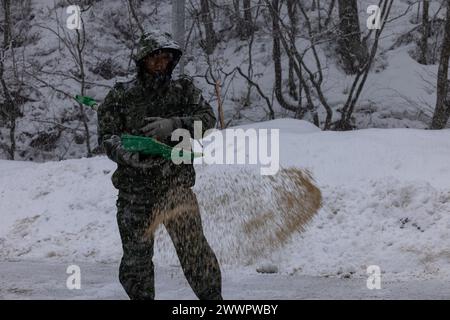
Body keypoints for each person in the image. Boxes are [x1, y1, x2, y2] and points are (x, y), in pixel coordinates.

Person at [97, 30, 223, 300]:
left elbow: (208, 119)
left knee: (195, 251)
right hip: (135, 191)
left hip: (174, 186)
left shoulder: (183, 90)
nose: (161, 64)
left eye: (166, 58)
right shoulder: (122, 95)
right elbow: (107, 136)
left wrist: (175, 124)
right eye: (155, 59)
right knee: (136, 260)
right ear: (143, 60)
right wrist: (125, 152)